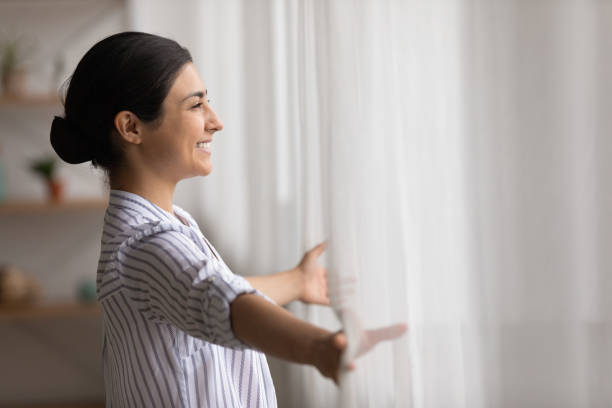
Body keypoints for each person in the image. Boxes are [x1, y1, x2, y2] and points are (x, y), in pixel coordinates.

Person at [50, 31, 405, 407]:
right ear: (131, 127)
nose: (216, 122)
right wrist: (320, 348)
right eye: (195, 105)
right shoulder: (147, 245)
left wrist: (297, 281)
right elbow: (219, 301)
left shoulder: (165, 228)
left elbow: (206, 290)